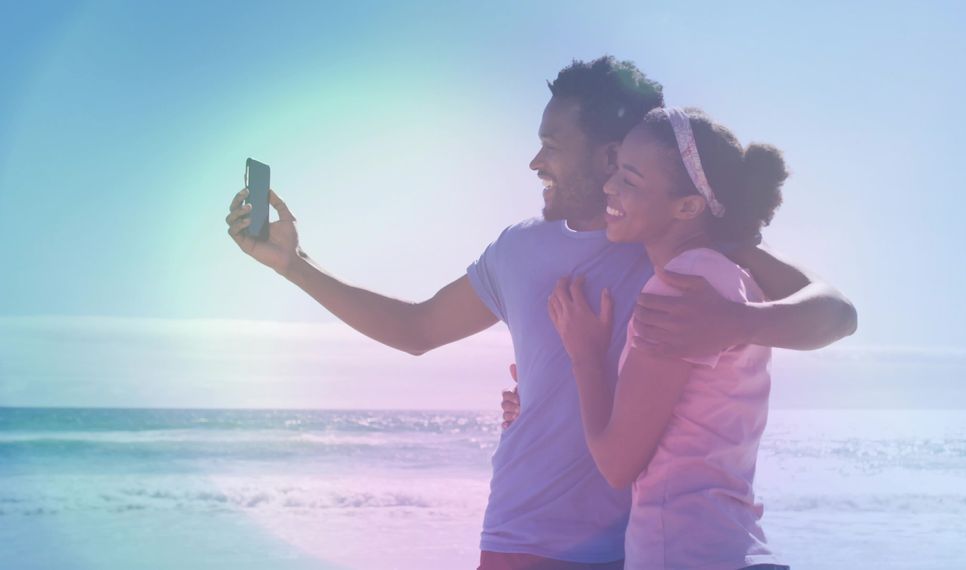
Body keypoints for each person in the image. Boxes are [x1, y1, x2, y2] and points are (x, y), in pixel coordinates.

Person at [224, 56, 856, 569]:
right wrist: (294, 265)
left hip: (648, 549)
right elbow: (416, 330)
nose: (535, 163)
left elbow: (833, 312)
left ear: (613, 157)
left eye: (551, 144)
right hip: (529, 540)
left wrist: (737, 323)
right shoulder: (520, 248)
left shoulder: (678, 244)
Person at [548, 106, 792, 569]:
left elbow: (617, 464)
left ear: (688, 206)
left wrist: (584, 357)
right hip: (740, 549)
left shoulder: (680, 288)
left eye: (631, 180)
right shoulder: (733, 280)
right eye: (617, 170)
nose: (609, 187)